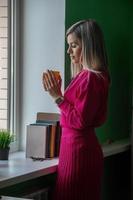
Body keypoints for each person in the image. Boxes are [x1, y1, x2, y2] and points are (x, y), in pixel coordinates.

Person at [42, 19, 110, 200]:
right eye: (68, 45)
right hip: (74, 151)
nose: (68, 51)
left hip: (79, 154)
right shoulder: (85, 76)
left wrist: (57, 96)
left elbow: (80, 121)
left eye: (73, 45)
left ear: (87, 46)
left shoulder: (91, 78)